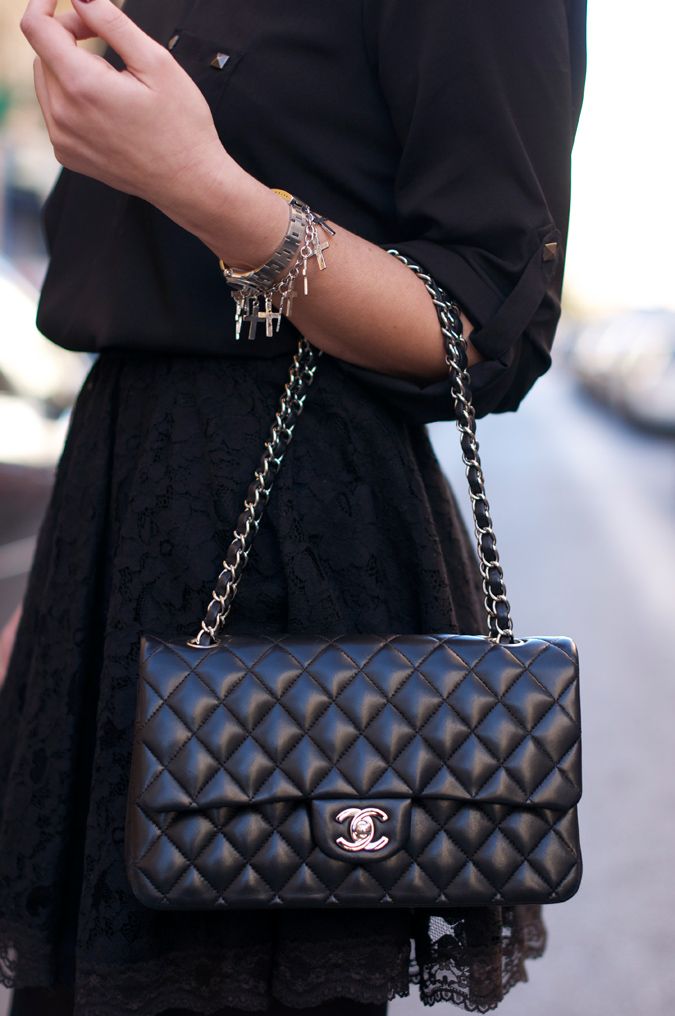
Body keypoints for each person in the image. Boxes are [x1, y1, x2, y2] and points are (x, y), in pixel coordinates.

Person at [0, 0, 587, 1013]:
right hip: (112, 515)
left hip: (298, 544)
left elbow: (483, 326)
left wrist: (202, 185)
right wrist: (59, 597)